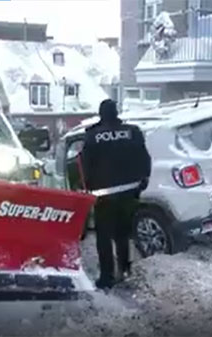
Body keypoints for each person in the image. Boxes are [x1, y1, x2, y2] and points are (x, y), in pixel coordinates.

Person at [79, 99, 152, 289]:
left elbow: (85, 165)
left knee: (103, 236)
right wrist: (143, 180)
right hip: (130, 191)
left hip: (104, 195)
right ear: (116, 112)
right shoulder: (133, 132)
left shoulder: (92, 136)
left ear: (100, 114)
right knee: (122, 234)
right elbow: (144, 158)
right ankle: (125, 269)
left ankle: (107, 276)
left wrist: (86, 188)